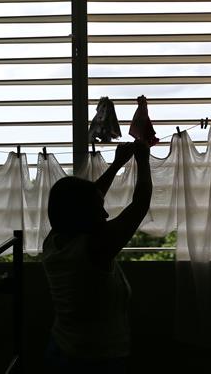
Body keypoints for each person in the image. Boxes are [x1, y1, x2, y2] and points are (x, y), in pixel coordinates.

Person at [42, 140, 152, 373]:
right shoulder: (94, 248)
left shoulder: (55, 239)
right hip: (93, 360)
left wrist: (117, 165)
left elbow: (89, 197)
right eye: (98, 208)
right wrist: (143, 160)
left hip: (61, 349)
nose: (105, 213)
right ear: (82, 214)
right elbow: (140, 205)